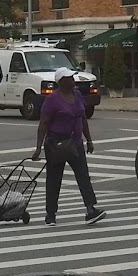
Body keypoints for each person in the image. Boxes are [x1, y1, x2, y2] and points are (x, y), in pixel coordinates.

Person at [31, 67, 106, 226]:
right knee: (54, 179)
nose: (73, 80)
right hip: (56, 144)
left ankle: (91, 209)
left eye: (72, 77)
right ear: (61, 82)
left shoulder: (77, 95)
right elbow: (43, 124)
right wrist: (38, 148)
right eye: (69, 78)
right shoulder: (52, 100)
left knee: (83, 176)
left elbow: (83, 118)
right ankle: (50, 214)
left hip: (75, 143)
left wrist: (89, 140)